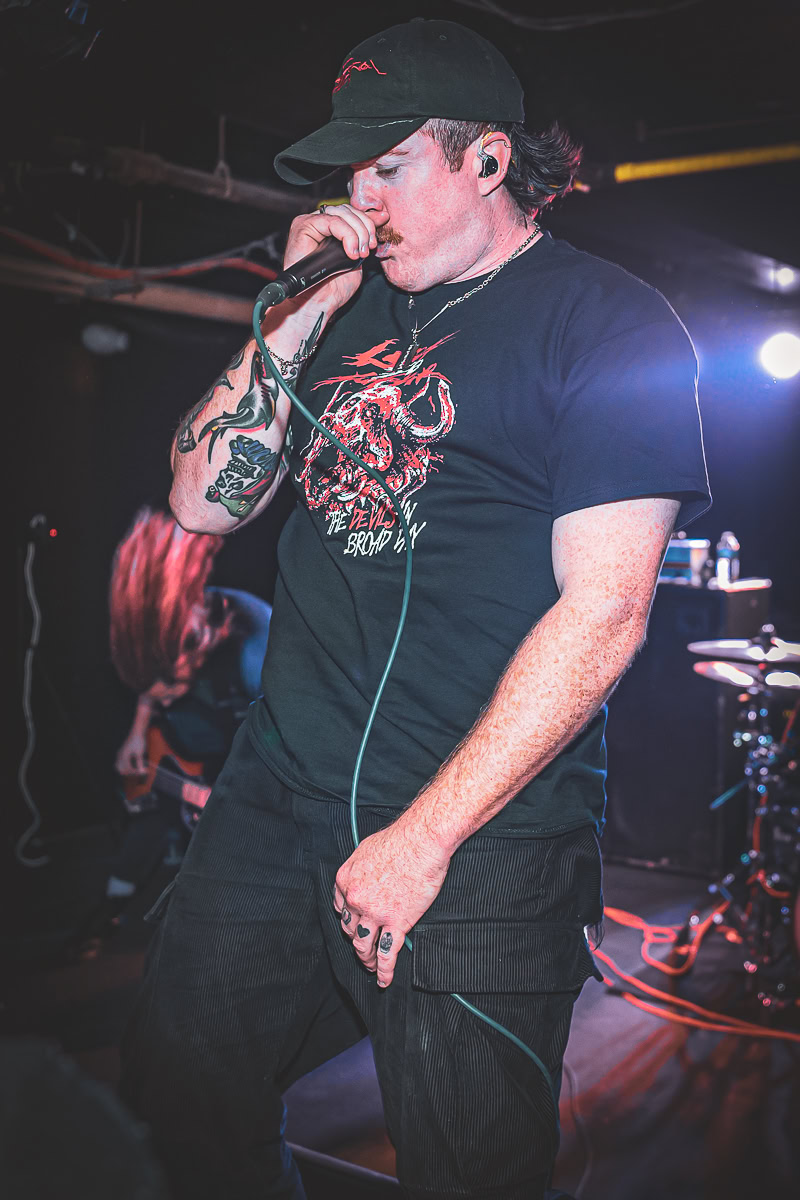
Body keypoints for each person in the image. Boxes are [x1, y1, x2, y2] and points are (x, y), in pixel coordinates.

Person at [120, 19, 710, 1200]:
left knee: (465, 1164)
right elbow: (196, 503)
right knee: (175, 1099)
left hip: (477, 832)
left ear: (486, 160)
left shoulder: (606, 322)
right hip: (277, 797)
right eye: (353, 173)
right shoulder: (341, 309)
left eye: (388, 167)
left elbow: (604, 613)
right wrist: (292, 317)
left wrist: (424, 837)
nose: (362, 199)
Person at [81, 507, 271, 944]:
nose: (160, 703)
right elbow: (153, 684)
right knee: (148, 826)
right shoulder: (169, 625)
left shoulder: (256, 650)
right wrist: (137, 732)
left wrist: (230, 796)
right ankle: (108, 912)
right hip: (198, 751)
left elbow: (284, 753)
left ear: (189, 652)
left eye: (164, 693)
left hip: (244, 759)